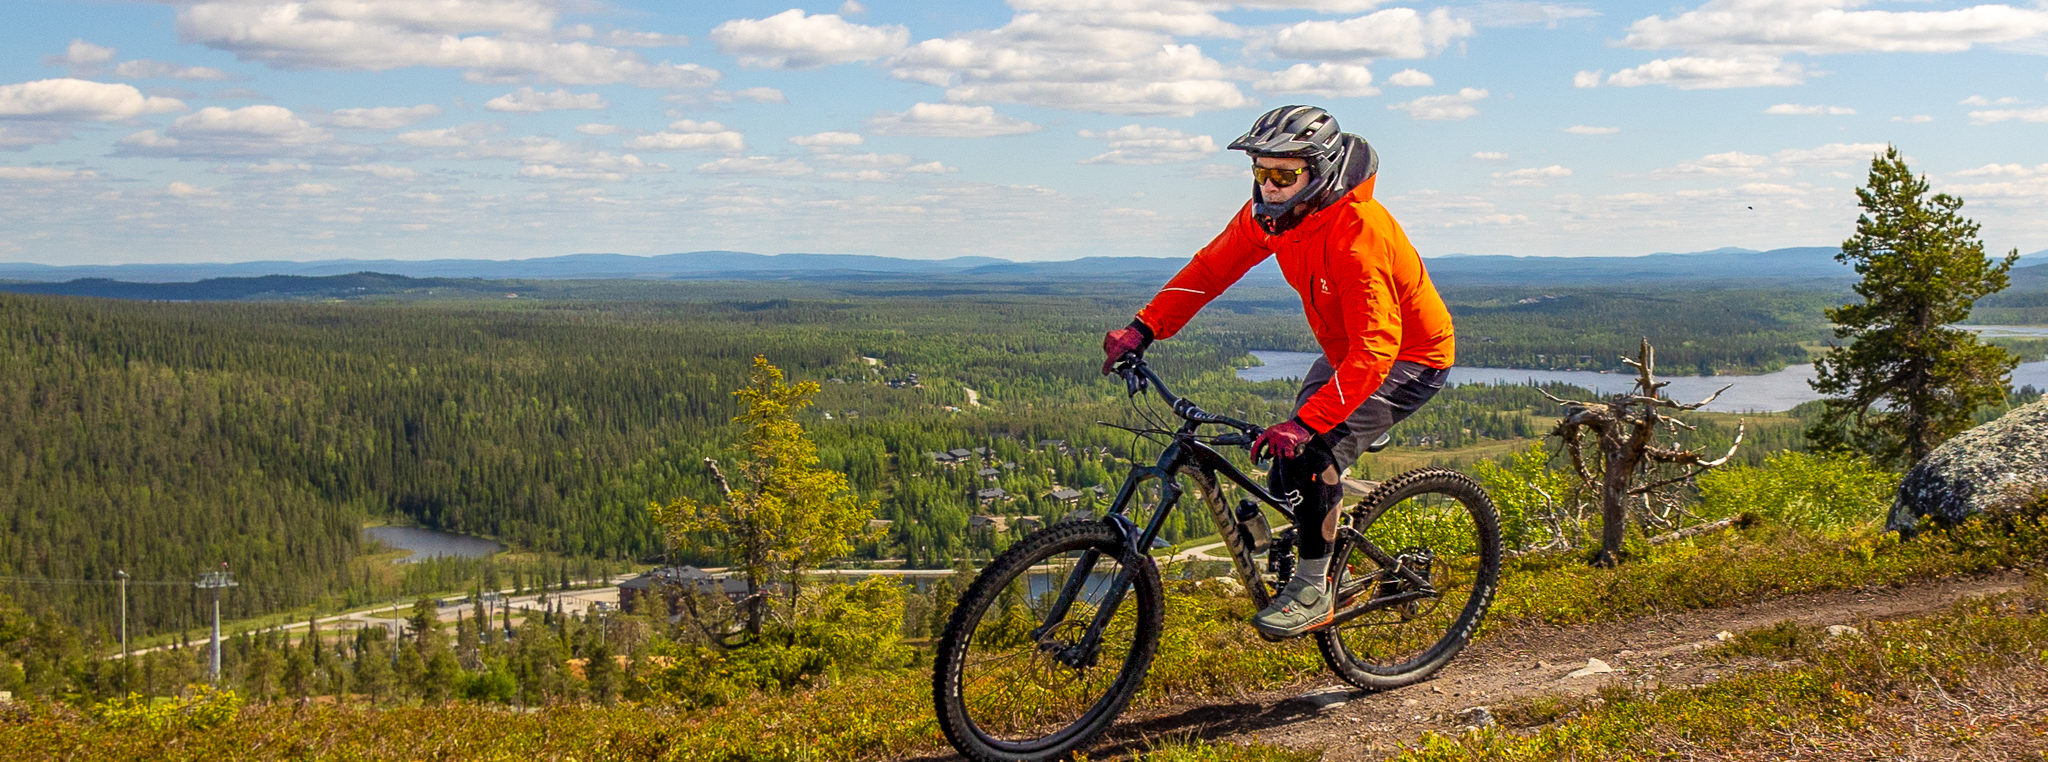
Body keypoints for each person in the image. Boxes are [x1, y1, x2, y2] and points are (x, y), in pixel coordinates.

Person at [1100, 105, 1455, 639]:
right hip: (1345, 355)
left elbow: (1377, 350)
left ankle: (1315, 589)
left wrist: (1309, 425)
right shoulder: (1275, 219)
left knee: (1313, 450)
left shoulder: (1358, 235)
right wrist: (1144, 327)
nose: (1268, 186)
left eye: (1283, 175)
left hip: (1410, 357)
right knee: (1283, 466)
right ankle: (1331, 549)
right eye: (1261, 173)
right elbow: (1209, 270)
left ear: (1322, 172)